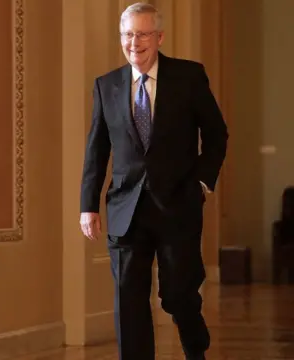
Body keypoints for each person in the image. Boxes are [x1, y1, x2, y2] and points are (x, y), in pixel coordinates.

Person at [79, 3, 228, 360]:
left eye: (143, 34)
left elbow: (216, 134)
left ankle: (196, 350)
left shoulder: (189, 77)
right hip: (125, 209)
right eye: (128, 35)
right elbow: (96, 148)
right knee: (128, 299)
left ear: (159, 37)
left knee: (178, 294)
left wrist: (202, 183)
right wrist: (88, 205)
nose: (135, 43)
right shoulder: (106, 86)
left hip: (177, 206)